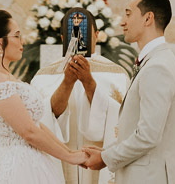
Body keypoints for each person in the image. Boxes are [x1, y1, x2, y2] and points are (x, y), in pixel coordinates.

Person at [0, 9, 88, 184]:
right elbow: (28, 132)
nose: (22, 41)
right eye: (16, 36)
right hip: (17, 167)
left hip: (33, 161)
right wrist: (70, 158)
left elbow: (36, 126)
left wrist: (70, 153)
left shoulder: (6, 77)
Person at [84, 0, 175, 184]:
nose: (122, 22)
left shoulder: (158, 67)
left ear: (148, 18)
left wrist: (106, 158)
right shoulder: (155, 61)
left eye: (128, 14)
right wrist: (107, 152)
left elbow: (148, 136)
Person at [32, 14, 129, 184]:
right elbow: (41, 117)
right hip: (59, 159)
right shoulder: (44, 75)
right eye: (71, 33)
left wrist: (88, 82)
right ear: (63, 38)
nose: (78, 38)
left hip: (101, 158)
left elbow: (122, 117)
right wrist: (67, 83)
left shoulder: (117, 74)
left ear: (97, 35)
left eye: (84, 32)